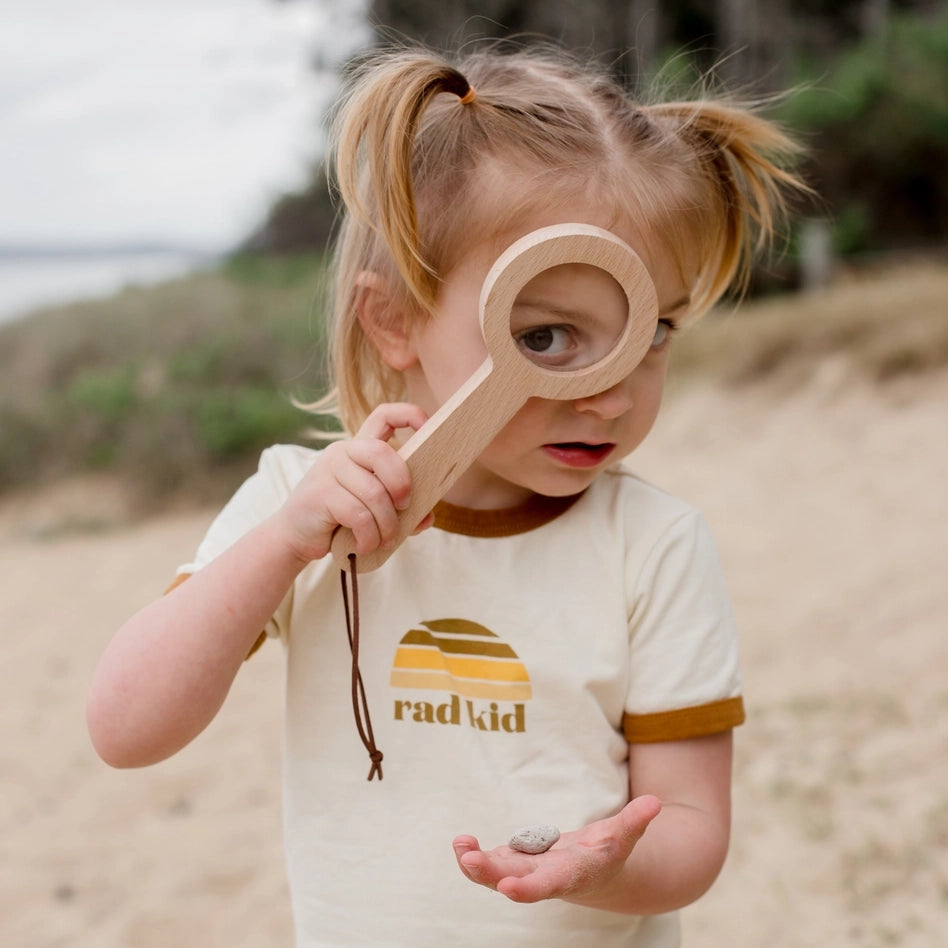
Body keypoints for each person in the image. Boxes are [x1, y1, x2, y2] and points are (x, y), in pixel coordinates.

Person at [87, 42, 806, 947]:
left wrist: (611, 865)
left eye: (650, 330)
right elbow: (125, 727)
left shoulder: (652, 545)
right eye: (544, 338)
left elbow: (695, 831)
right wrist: (284, 543)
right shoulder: (294, 502)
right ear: (393, 320)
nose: (612, 392)